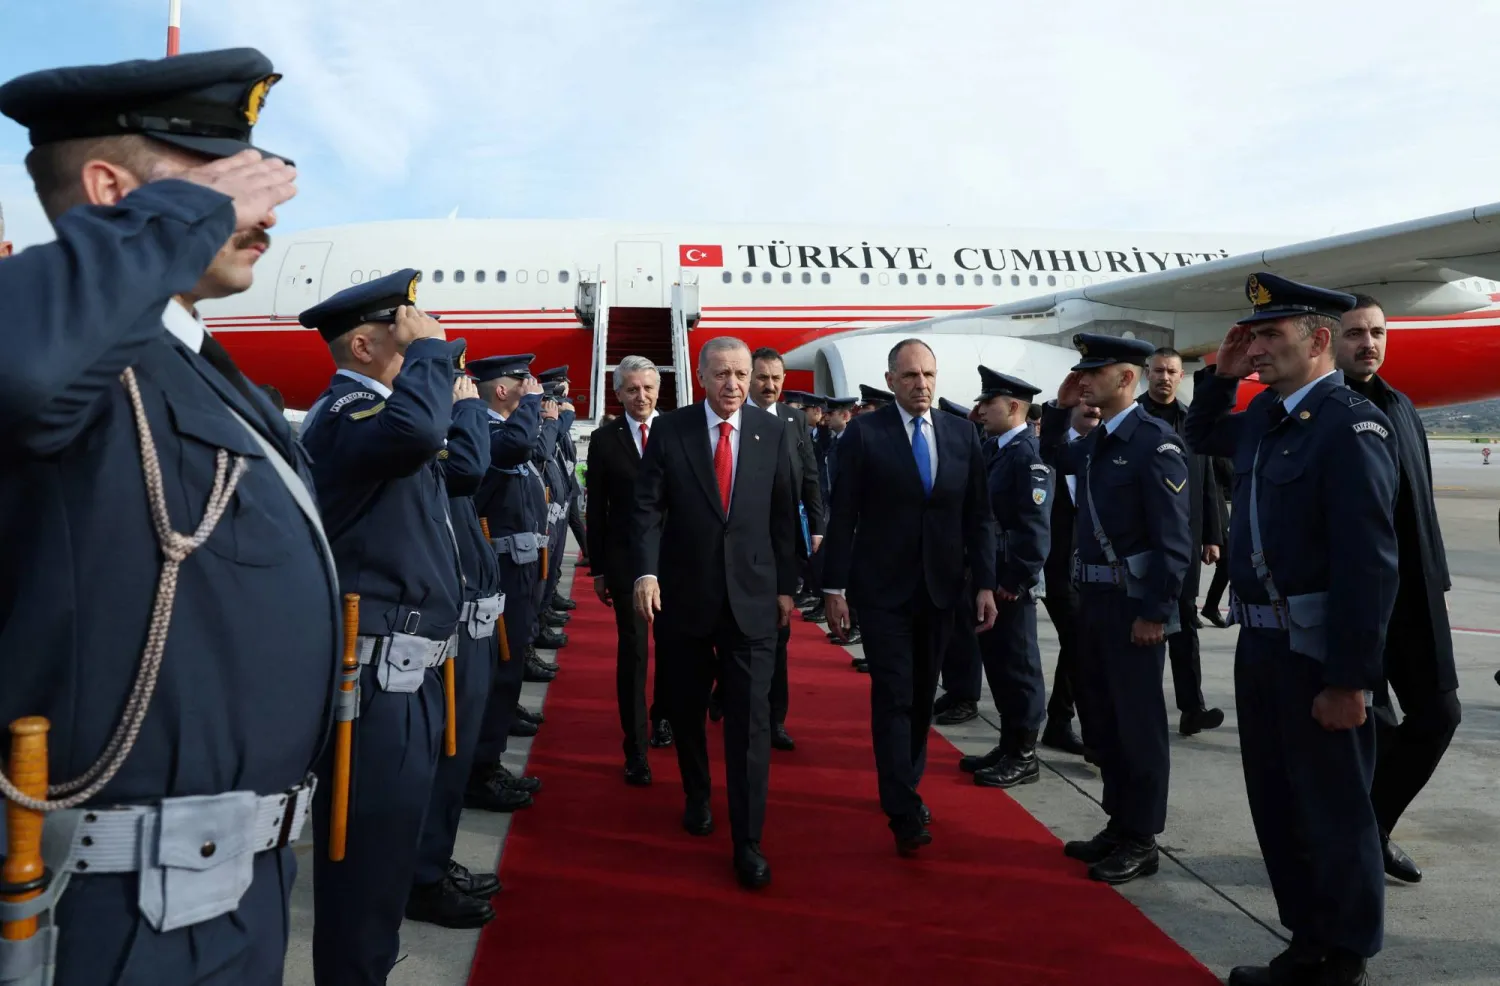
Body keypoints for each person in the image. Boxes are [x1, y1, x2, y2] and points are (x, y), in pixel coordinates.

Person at [0, 50, 331, 986]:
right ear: (115, 193)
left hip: (232, 894)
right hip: (115, 912)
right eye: (222, 178)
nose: (262, 209)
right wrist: (184, 218)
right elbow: (24, 371)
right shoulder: (69, 353)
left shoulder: (193, 365)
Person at [1185, 272, 1399, 986]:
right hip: (1263, 645)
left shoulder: (1348, 425)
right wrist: (1217, 377)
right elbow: (1201, 434)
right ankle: (1307, 938)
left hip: (1316, 651)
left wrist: (1349, 679)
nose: (1255, 349)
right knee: (1278, 801)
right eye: (1251, 336)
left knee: (1332, 809)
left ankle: (1342, 957)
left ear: (1317, 341)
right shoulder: (1270, 417)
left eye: (1270, 336)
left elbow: (1368, 566)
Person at [297, 269, 468, 984]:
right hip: (373, 684)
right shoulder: (346, 415)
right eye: (406, 337)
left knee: (391, 855)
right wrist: (433, 355)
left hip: (413, 674)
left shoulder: (392, 417)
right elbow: (422, 430)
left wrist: (431, 366)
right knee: (364, 870)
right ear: (363, 345)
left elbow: (461, 463)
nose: (421, 349)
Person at [632, 336, 799, 889]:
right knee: (684, 707)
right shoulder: (672, 430)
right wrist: (647, 573)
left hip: (752, 600)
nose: (734, 385)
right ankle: (697, 793)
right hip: (684, 597)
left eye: (742, 375)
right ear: (700, 377)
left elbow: (782, 515)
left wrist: (786, 589)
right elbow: (648, 508)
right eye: (723, 374)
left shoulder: (774, 431)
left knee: (751, 724)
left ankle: (748, 839)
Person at [821, 338, 998, 855]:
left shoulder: (961, 433)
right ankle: (901, 804)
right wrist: (834, 587)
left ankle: (905, 781)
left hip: (941, 590)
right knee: (894, 694)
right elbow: (844, 514)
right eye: (911, 376)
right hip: (881, 591)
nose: (922, 385)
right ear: (892, 380)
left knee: (922, 695)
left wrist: (983, 583)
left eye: (929, 375)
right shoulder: (863, 434)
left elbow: (979, 517)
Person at [1041, 333, 1191, 885]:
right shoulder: (1102, 438)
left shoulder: (1155, 443)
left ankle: (1142, 836)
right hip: (1096, 602)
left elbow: (1174, 540)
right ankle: (1118, 820)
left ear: (1127, 379)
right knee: (1102, 718)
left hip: (1133, 608)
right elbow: (1054, 456)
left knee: (1138, 725)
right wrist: (1058, 410)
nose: (1084, 378)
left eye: (1094, 371)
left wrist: (1156, 612)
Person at [1336, 294, 1459, 884]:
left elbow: (1421, 496)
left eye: (1378, 331)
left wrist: (1436, 574)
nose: (1369, 343)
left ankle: (1370, 827)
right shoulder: (1323, 410)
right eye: (1356, 332)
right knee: (1365, 726)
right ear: (1329, 341)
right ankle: (1353, 844)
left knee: (1440, 714)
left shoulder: (1402, 406)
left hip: (1414, 594)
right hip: (1353, 597)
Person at [407, 354, 505, 928]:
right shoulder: (416, 431)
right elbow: (468, 469)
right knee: (439, 759)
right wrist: (469, 405)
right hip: (427, 632)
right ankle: (422, 875)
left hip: (457, 618)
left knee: (453, 752)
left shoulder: (436, 431)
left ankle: (432, 864)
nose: (459, 384)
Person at [958, 367, 1052, 789]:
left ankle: (1024, 753)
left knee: (1018, 666)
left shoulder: (1026, 454)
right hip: (992, 575)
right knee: (997, 663)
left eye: (988, 403)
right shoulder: (998, 449)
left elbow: (1034, 530)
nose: (980, 411)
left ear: (1013, 406)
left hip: (1009, 582)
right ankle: (1009, 741)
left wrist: (1013, 581)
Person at [469, 354, 549, 812]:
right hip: (497, 568)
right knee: (498, 670)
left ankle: (490, 761)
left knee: (509, 663)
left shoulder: (502, 425)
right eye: (523, 380)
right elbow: (517, 447)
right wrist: (534, 405)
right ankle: (481, 770)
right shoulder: (490, 427)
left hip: (515, 565)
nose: (531, 386)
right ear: (502, 390)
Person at [587, 355, 672, 787]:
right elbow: (596, 509)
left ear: (659, 391)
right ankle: (635, 749)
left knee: (676, 652)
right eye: (632, 390)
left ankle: (663, 716)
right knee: (635, 654)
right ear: (618, 394)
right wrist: (599, 568)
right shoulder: (603, 441)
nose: (641, 397)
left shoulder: (678, 431)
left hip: (675, 561)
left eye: (648, 388)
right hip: (624, 563)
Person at [1139, 347, 1228, 735]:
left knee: (1185, 622)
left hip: (1185, 542)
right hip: (1141, 543)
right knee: (1143, 625)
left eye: (1172, 372)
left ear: (1180, 377)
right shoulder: (1133, 419)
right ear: (1147, 374)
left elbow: (1206, 480)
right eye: (1158, 371)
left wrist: (1212, 535)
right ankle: (1140, 708)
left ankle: (1193, 708)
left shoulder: (1192, 423)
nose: (1165, 378)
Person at [747, 347, 825, 751]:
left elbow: (810, 475)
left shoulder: (794, 420)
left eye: (776, 378)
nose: (771, 386)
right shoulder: (732, 418)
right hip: (739, 545)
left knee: (780, 634)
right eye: (762, 378)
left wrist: (816, 527)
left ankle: (775, 719)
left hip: (782, 545)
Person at [1036, 402, 1099, 757]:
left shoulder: (1103, 447)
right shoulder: (1051, 450)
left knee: (1079, 642)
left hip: (1092, 569)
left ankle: (1060, 721)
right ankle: (1080, 729)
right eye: (1084, 401)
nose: (1092, 407)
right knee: (1079, 637)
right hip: (1055, 566)